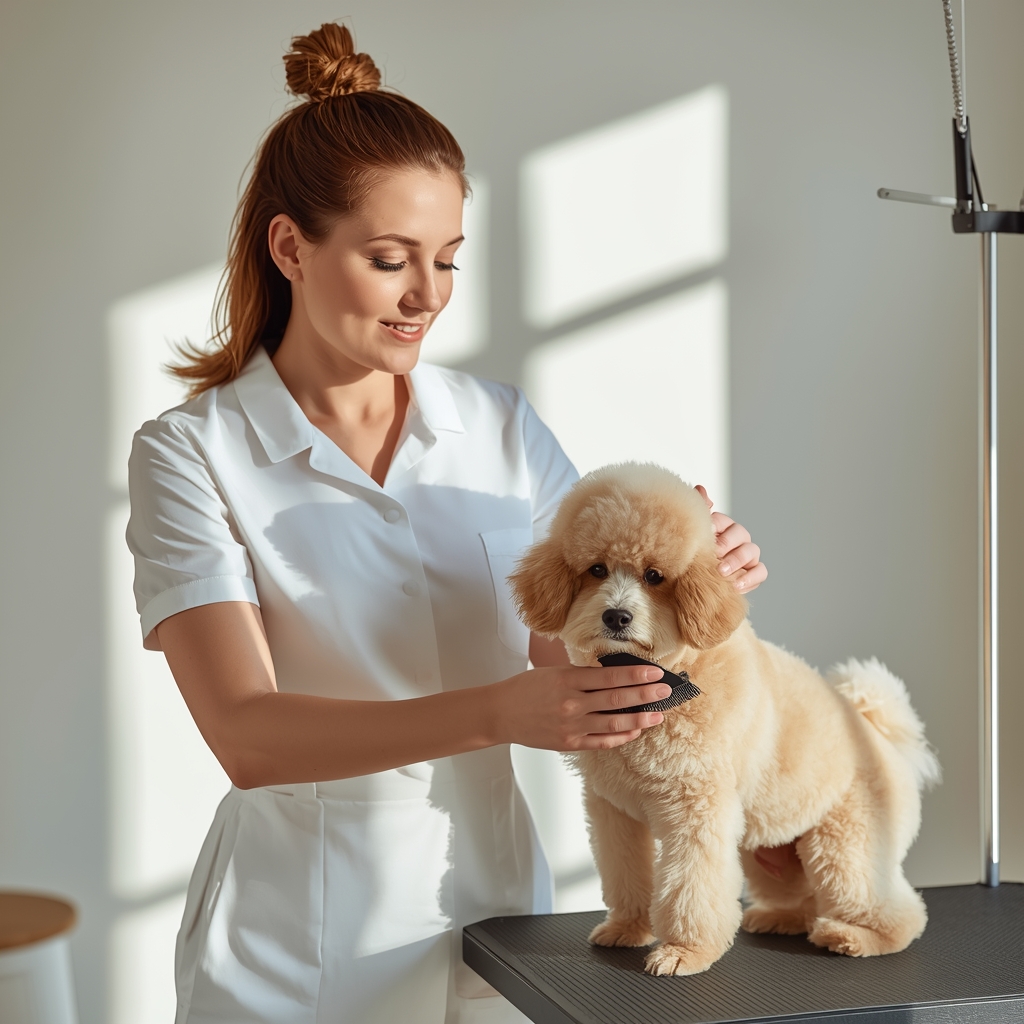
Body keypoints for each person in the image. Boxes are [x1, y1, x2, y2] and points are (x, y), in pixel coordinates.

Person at [126, 23, 767, 1024]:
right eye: (390, 259)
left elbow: (568, 666)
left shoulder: (499, 426)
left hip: (499, 932)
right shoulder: (191, 452)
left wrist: (671, 594)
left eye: (449, 260)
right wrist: (495, 711)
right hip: (293, 948)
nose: (427, 295)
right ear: (291, 245)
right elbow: (245, 734)